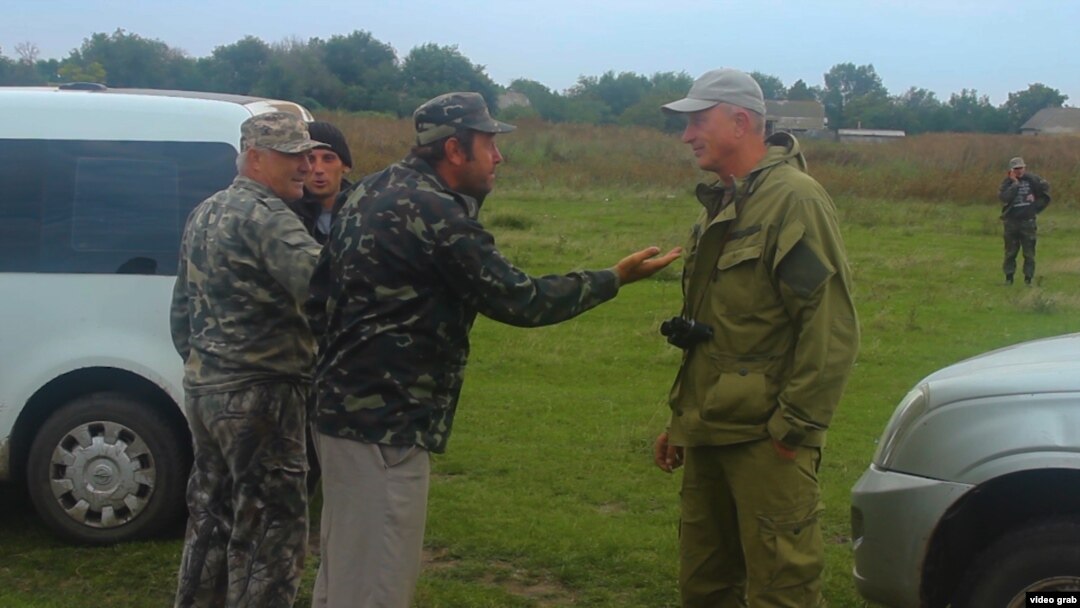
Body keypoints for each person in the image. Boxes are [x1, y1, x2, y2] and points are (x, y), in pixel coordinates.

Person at [304, 91, 681, 608]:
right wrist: (614, 278)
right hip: (386, 427)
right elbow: (520, 300)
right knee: (375, 584)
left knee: (345, 569)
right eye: (490, 144)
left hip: (339, 416)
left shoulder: (370, 190)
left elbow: (317, 298)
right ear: (455, 150)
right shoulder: (435, 212)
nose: (499, 156)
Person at [652, 69, 859, 608]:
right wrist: (682, 419)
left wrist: (796, 427)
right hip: (709, 431)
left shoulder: (794, 201)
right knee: (706, 585)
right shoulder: (724, 203)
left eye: (699, 120)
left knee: (780, 590)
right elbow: (716, 332)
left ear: (740, 121)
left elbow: (828, 323)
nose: (687, 134)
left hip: (768, 443)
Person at [171, 111, 324, 608]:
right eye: (291, 156)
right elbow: (324, 287)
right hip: (262, 397)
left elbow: (181, 312)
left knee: (209, 524)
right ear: (255, 158)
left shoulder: (206, 212)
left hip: (205, 391)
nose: (304, 165)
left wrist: (207, 367)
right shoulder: (269, 219)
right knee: (270, 535)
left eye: (307, 154)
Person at [290, 121, 354, 245]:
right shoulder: (286, 213)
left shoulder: (363, 210)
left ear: (345, 166)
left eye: (328, 159)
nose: (318, 169)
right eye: (310, 159)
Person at [998, 156, 1050, 285]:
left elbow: (1045, 194)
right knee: (1010, 252)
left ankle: (1028, 279)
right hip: (1011, 222)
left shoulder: (1034, 180)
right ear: (1011, 170)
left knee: (1029, 253)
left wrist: (1035, 206)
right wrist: (1015, 184)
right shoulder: (1007, 183)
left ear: (1024, 168)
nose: (1019, 171)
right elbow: (1005, 198)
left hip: (1028, 221)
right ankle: (1009, 278)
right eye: (1016, 169)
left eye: (1021, 168)